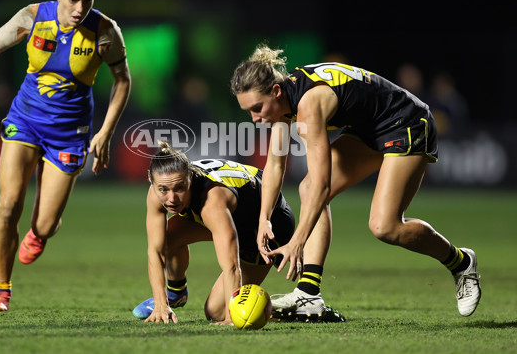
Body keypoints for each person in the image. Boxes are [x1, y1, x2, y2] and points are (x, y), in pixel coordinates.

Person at [230, 45, 481, 318]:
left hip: (406, 121)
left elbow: (323, 184)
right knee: (306, 187)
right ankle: (309, 295)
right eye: (248, 112)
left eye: (257, 108)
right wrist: (263, 219)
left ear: (275, 92)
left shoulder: (308, 106)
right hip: (369, 129)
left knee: (385, 226)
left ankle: (461, 262)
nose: (255, 118)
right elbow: (275, 166)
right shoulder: (282, 104)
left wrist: (297, 241)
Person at [0, 0, 131, 312]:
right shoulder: (30, 18)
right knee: (8, 205)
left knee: (43, 225)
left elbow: (122, 80)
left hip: (69, 135)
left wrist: (104, 132)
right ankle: (1, 290)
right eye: (72, 0)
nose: (79, 9)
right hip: (24, 121)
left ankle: (41, 231)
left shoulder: (104, 31)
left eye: (86, 2)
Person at [132, 142, 295, 324]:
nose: (171, 198)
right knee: (167, 237)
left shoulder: (212, 202)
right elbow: (155, 250)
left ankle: (290, 308)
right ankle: (175, 293)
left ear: (190, 178)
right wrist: (161, 304)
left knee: (215, 312)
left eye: (179, 188)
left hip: (265, 225)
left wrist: (230, 318)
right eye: (164, 189)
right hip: (232, 215)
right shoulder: (157, 192)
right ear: (150, 180)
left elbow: (231, 265)